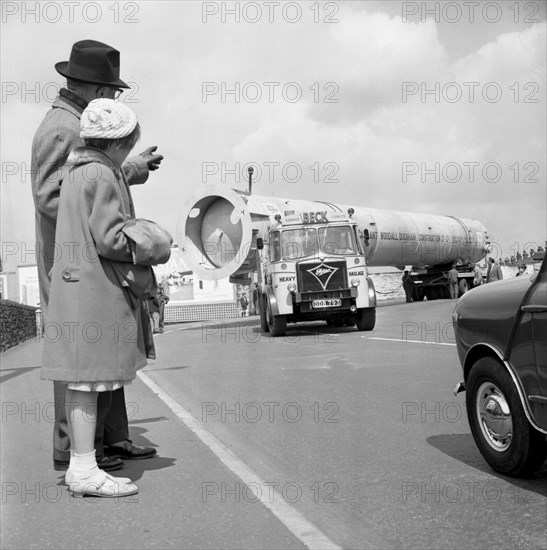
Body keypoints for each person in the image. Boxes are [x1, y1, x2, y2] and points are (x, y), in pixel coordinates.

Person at [31, 39, 163, 472]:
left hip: (85, 256)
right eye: (110, 92)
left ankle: (110, 439)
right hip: (73, 261)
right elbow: (53, 197)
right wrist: (122, 172)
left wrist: (125, 170)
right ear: (89, 88)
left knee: (102, 344)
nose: (111, 100)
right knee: (81, 354)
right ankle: (74, 449)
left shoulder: (74, 124)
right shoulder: (62, 128)